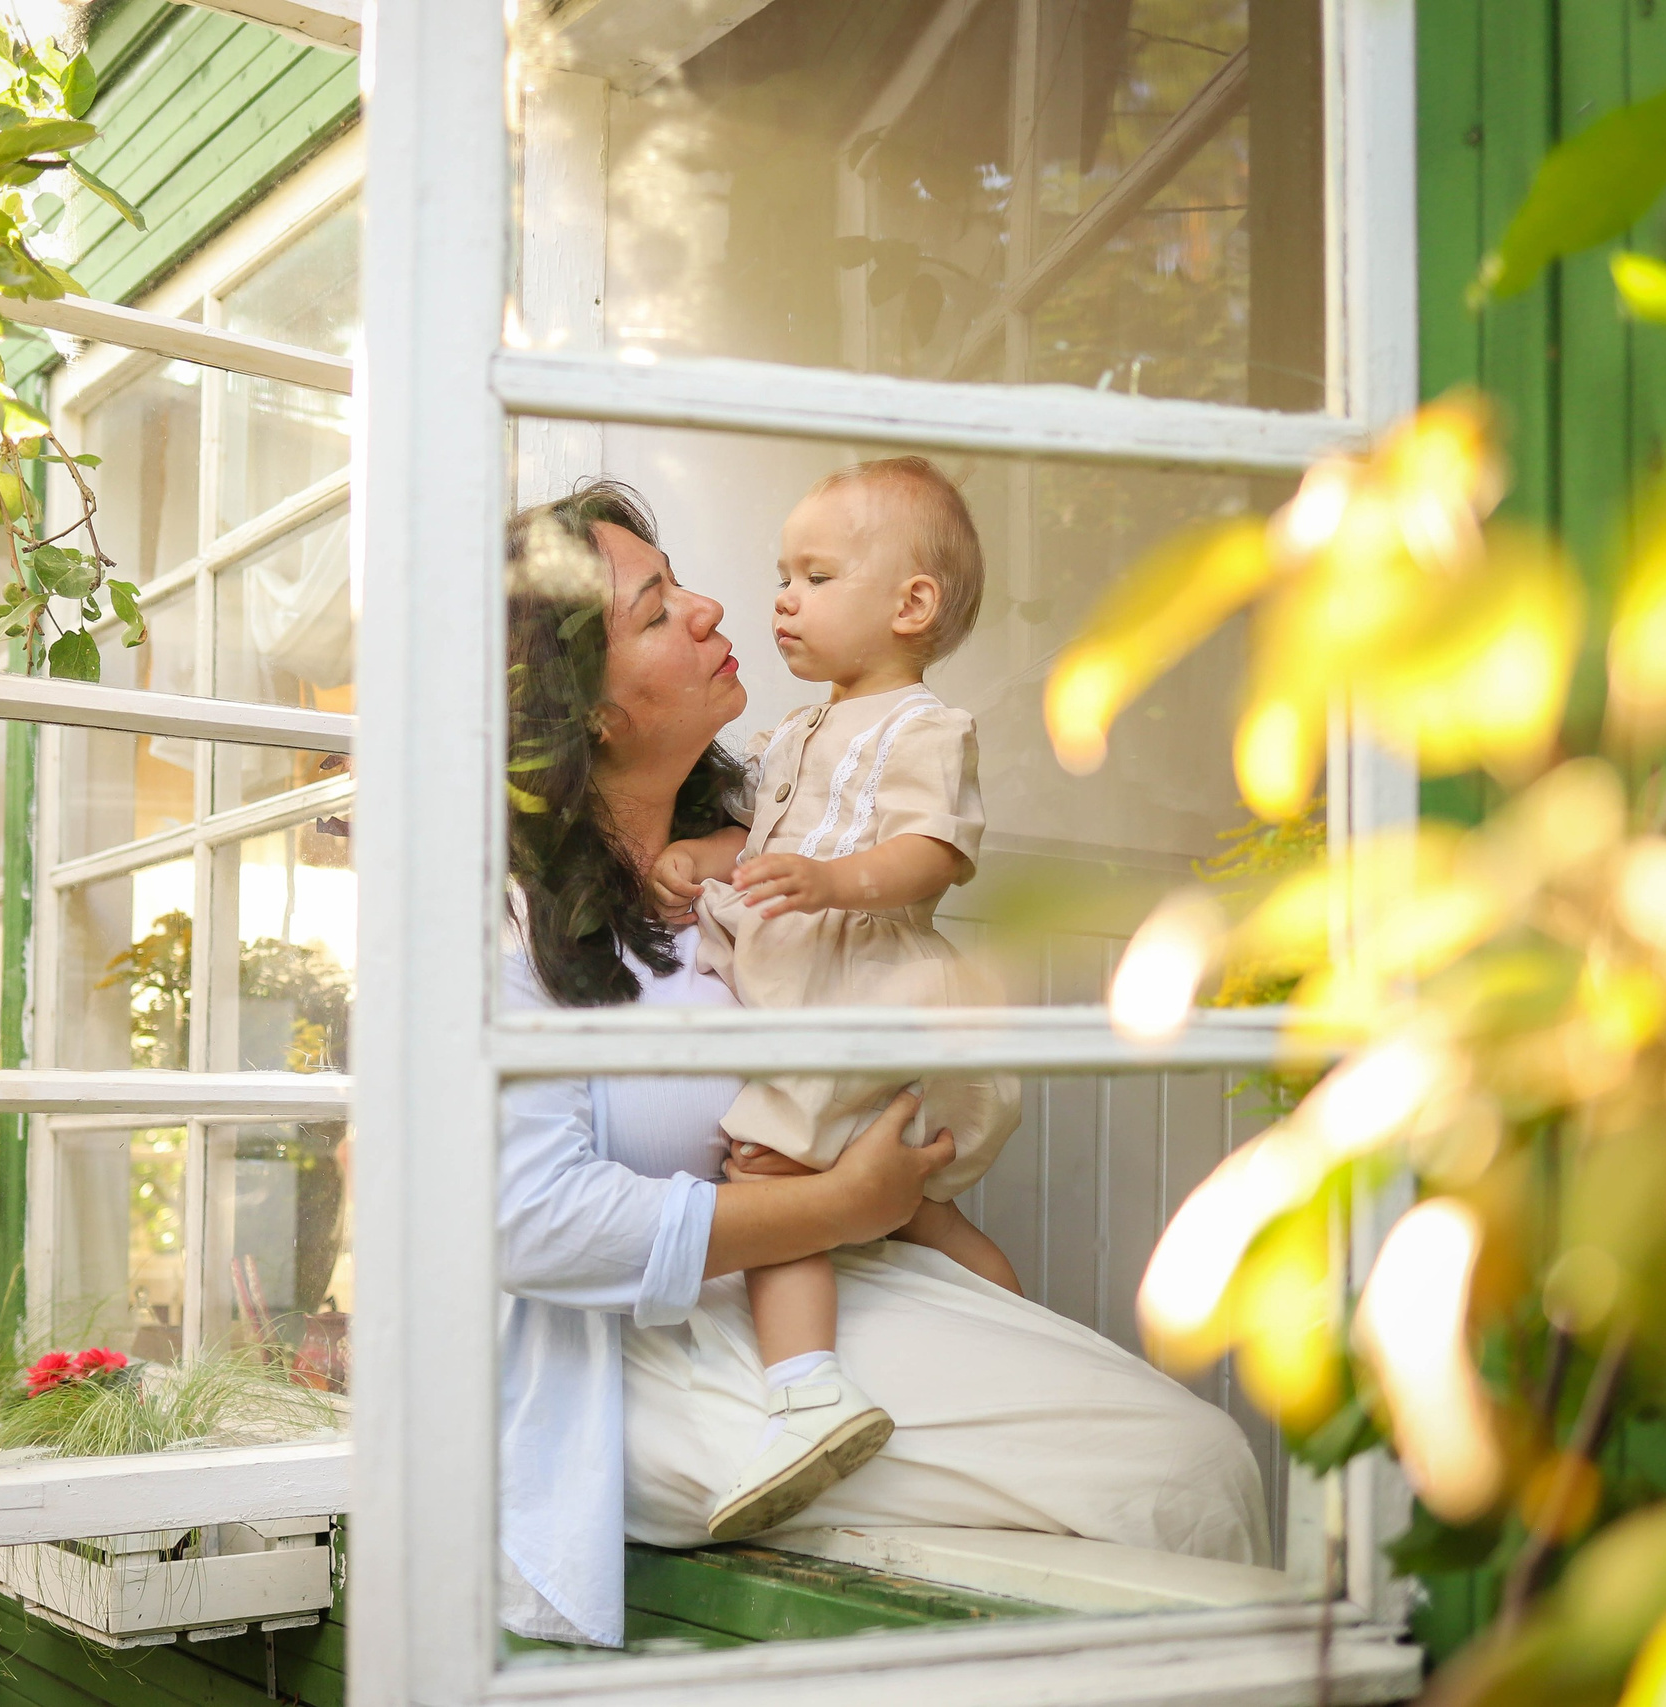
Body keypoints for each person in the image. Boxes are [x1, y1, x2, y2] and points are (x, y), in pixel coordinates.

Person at [498, 479, 1270, 1650]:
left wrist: (886, 1176)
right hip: (648, 1359)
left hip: (839, 1276)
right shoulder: (508, 929)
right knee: (1174, 1478)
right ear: (588, 713)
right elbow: (532, 1224)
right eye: (655, 611)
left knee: (1185, 1468)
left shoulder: (787, 821)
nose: (716, 607)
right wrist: (841, 1200)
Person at [648, 457, 1022, 1542]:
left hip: (860, 987)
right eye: (782, 574)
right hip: (812, 980)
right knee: (921, 1205)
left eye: (813, 576)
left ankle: (806, 1390)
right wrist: (710, 857)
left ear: (910, 606)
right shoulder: (800, 731)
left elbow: (929, 854)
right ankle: (1012, 1319)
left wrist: (832, 883)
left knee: (770, 1174)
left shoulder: (923, 726)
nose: (781, 599)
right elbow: (780, 842)